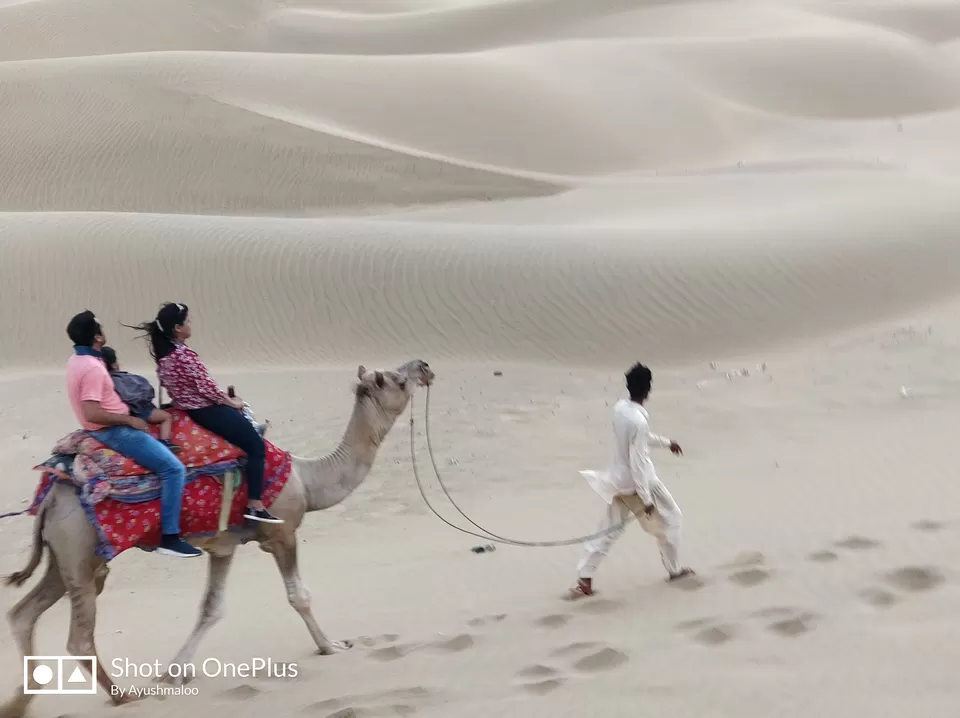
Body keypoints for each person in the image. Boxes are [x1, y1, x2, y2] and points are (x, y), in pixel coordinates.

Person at [127, 303, 282, 524]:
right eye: (187, 322)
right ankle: (255, 504)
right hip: (205, 410)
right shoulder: (183, 356)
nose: (191, 325)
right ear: (178, 328)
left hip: (186, 408)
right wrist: (232, 402)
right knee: (256, 446)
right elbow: (206, 389)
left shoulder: (165, 356)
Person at [64, 311, 201, 558]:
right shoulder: (93, 368)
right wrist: (130, 419)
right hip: (114, 432)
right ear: (97, 336)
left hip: (107, 426)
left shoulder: (75, 360)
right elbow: (92, 411)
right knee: (174, 469)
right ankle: (170, 537)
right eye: (100, 328)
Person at [569, 362, 694, 598]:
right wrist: (646, 498)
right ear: (647, 389)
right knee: (673, 519)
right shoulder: (638, 420)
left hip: (619, 481)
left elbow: (639, 441)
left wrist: (668, 443)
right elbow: (637, 460)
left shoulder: (620, 409)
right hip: (642, 483)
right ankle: (674, 570)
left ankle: (585, 578)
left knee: (607, 531)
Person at [100, 346, 180, 454]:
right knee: (166, 417)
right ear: (114, 364)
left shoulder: (102, 382)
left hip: (119, 415)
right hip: (141, 411)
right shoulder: (123, 379)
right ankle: (165, 441)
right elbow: (142, 392)